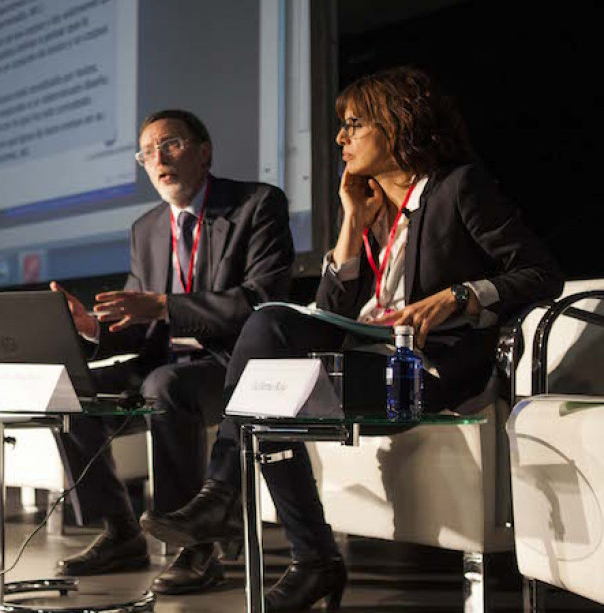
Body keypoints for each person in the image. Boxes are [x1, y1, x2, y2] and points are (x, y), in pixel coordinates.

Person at [141, 67, 563, 611]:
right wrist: (350, 223)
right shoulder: (374, 212)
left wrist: (461, 295)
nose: (340, 138)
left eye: (353, 124)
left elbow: (540, 272)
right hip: (365, 354)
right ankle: (305, 552)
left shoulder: (459, 188)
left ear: (398, 124)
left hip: (425, 368)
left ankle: (245, 510)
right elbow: (333, 310)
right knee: (271, 384)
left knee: (269, 337)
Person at [50, 109, 294, 593]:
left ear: (204, 152)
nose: (158, 158)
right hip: (163, 362)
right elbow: (137, 325)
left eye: (171, 145)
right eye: (147, 153)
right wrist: (92, 327)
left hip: (233, 365)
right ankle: (120, 531)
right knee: (68, 388)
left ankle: (194, 545)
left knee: (165, 385)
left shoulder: (256, 205)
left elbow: (258, 304)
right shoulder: (147, 228)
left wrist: (163, 305)